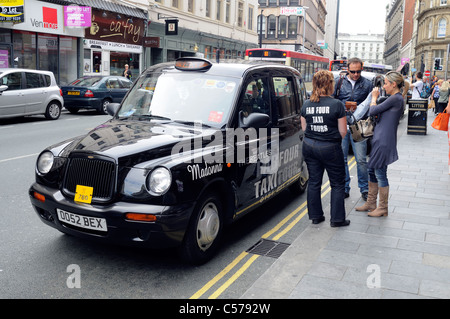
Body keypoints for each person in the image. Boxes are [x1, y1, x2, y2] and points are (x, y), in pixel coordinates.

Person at [301, 70, 350, 227]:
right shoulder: (336, 104)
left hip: (309, 146)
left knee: (314, 181)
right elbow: (343, 131)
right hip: (330, 147)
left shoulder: (306, 104)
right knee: (337, 183)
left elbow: (304, 128)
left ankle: (316, 216)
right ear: (329, 84)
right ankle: (337, 219)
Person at [355, 71, 406, 217]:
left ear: (393, 84)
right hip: (380, 139)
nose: (384, 86)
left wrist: (374, 98)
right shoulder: (393, 98)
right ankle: (371, 203)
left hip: (384, 141)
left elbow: (372, 110)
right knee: (372, 170)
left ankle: (382, 207)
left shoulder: (396, 98)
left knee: (380, 173)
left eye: (386, 83)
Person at [334, 57, 373, 200]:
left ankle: (364, 189)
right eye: (353, 71)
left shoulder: (367, 84)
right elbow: (333, 101)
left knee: (361, 159)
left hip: (359, 125)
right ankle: (345, 187)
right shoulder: (339, 82)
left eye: (358, 71)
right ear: (347, 69)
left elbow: (371, 104)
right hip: (342, 123)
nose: (356, 74)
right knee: (342, 158)